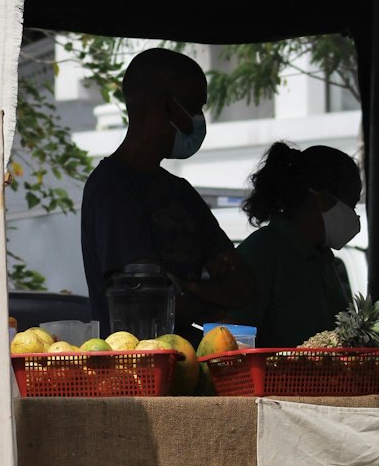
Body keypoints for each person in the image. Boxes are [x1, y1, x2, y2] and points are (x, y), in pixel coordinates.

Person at [80, 48, 255, 340]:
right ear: (168, 109)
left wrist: (187, 287)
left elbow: (248, 286)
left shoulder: (181, 192)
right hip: (138, 376)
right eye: (196, 108)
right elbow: (146, 298)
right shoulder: (111, 189)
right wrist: (207, 295)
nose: (199, 119)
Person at [237, 141, 362, 347]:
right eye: (352, 204)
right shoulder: (261, 253)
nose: (354, 216)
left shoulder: (323, 259)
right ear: (322, 200)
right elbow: (230, 341)